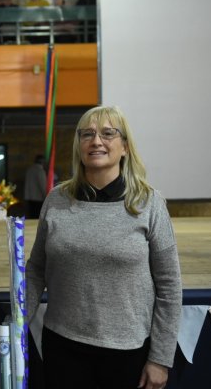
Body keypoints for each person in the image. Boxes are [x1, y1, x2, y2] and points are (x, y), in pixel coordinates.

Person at [26, 106, 182, 389]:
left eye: (108, 133)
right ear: (79, 145)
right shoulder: (56, 199)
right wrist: (16, 323)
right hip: (62, 347)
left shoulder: (149, 203)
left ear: (124, 147)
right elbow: (36, 270)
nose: (96, 141)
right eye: (87, 134)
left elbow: (170, 286)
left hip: (128, 352)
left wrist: (160, 358)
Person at [24, 154, 47, 218]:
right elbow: (43, 186)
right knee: (37, 218)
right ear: (43, 162)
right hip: (38, 199)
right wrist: (46, 197)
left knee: (31, 216)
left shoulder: (29, 170)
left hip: (30, 198)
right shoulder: (40, 171)